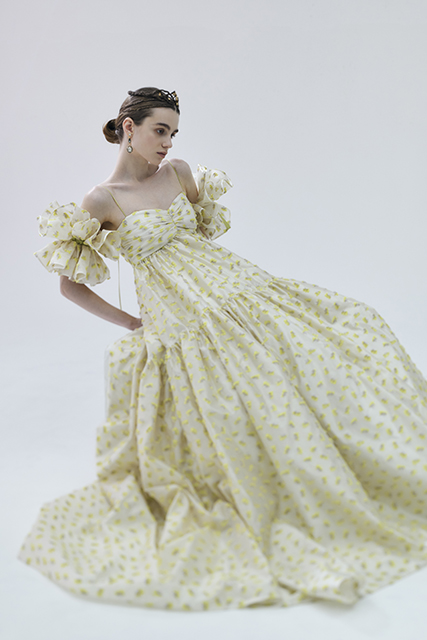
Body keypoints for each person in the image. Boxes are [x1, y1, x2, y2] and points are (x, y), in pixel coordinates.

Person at [20, 87, 427, 611]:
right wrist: (132, 323)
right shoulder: (102, 201)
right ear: (128, 127)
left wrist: (220, 296)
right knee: (238, 407)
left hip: (236, 290)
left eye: (173, 133)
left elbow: (200, 245)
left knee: (338, 339)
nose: (168, 143)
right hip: (179, 318)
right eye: (159, 130)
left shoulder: (180, 173)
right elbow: (69, 285)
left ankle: (376, 468)